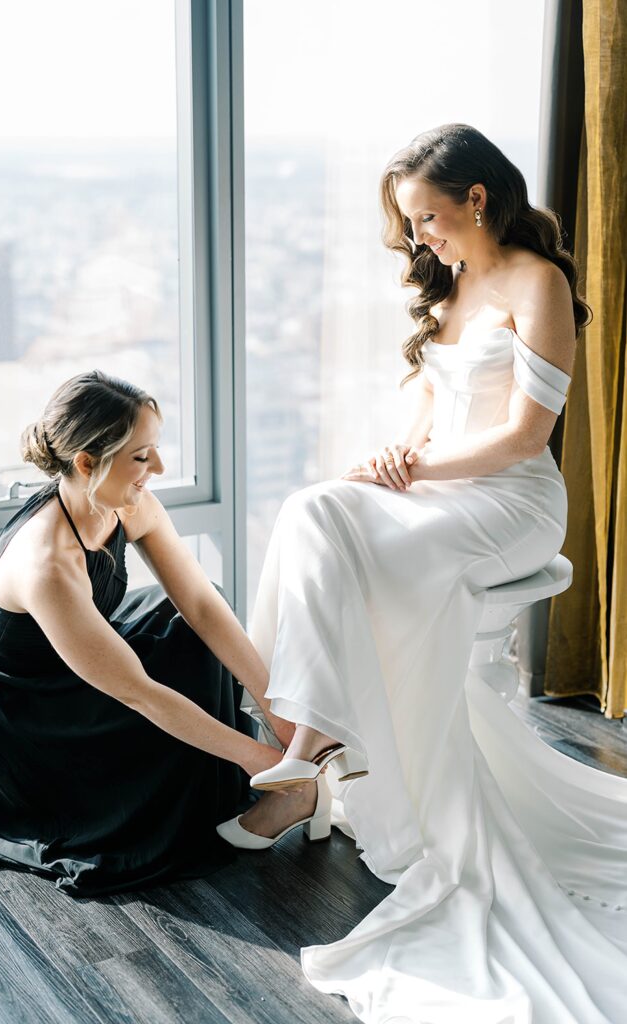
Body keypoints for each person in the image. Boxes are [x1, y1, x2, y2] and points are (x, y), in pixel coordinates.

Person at [219, 124, 627, 1023]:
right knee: (313, 507)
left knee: (340, 517)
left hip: (510, 503)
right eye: (410, 225)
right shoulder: (447, 288)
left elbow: (523, 437)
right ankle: (309, 732)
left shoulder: (537, 281)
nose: (418, 240)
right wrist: (393, 459)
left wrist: (416, 472)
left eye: (427, 218)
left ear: (476, 199)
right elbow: (420, 417)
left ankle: (311, 755)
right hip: (437, 489)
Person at [0, 370, 308, 895]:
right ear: (87, 463)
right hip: (18, 715)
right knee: (168, 705)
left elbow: (202, 606)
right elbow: (138, 692)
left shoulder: (125, 505)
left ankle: (256, 773)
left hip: (70, 665)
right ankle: (266, 784)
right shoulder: (46, 562)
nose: (158, 468)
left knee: (193, 620)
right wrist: (263, 761)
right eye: (142, 457)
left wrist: (276, 706)